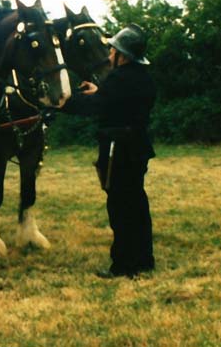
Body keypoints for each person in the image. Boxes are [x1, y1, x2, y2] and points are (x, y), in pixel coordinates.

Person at [61, 24, 156, 279]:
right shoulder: (143, 77)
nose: (110, 54)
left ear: (122, 55)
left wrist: (65, 102)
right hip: (137, 146)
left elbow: (96, 106)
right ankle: (144, 259)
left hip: (118, 150)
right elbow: (114, 100)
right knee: (137, 203)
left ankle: (123, 265)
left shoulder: (118, 79)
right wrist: (99, 92)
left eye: (112, 50)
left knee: (119, 207)